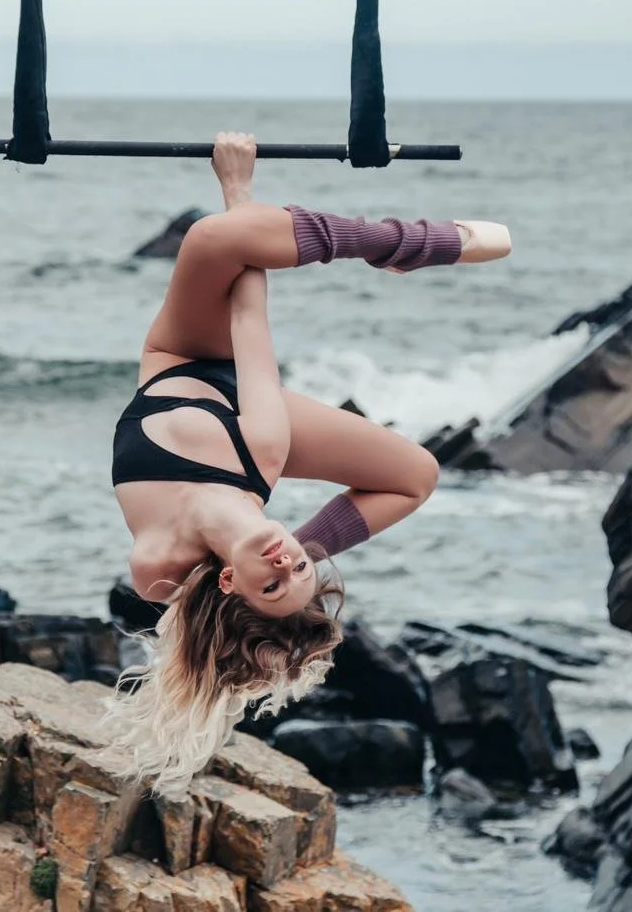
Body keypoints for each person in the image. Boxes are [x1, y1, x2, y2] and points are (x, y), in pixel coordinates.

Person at [104, 132, 512, 793]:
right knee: (418, 474)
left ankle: (381, 239)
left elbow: (241, 294)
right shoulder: (264, 449)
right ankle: (395, 246)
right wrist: (242, 194)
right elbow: (251, 324)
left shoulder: (157, 569)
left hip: (178, 359)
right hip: (244, 413)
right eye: (299, 564)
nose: (285, 557)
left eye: (272, 579)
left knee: (215, 239)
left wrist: (236, 198)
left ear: (230, 584)